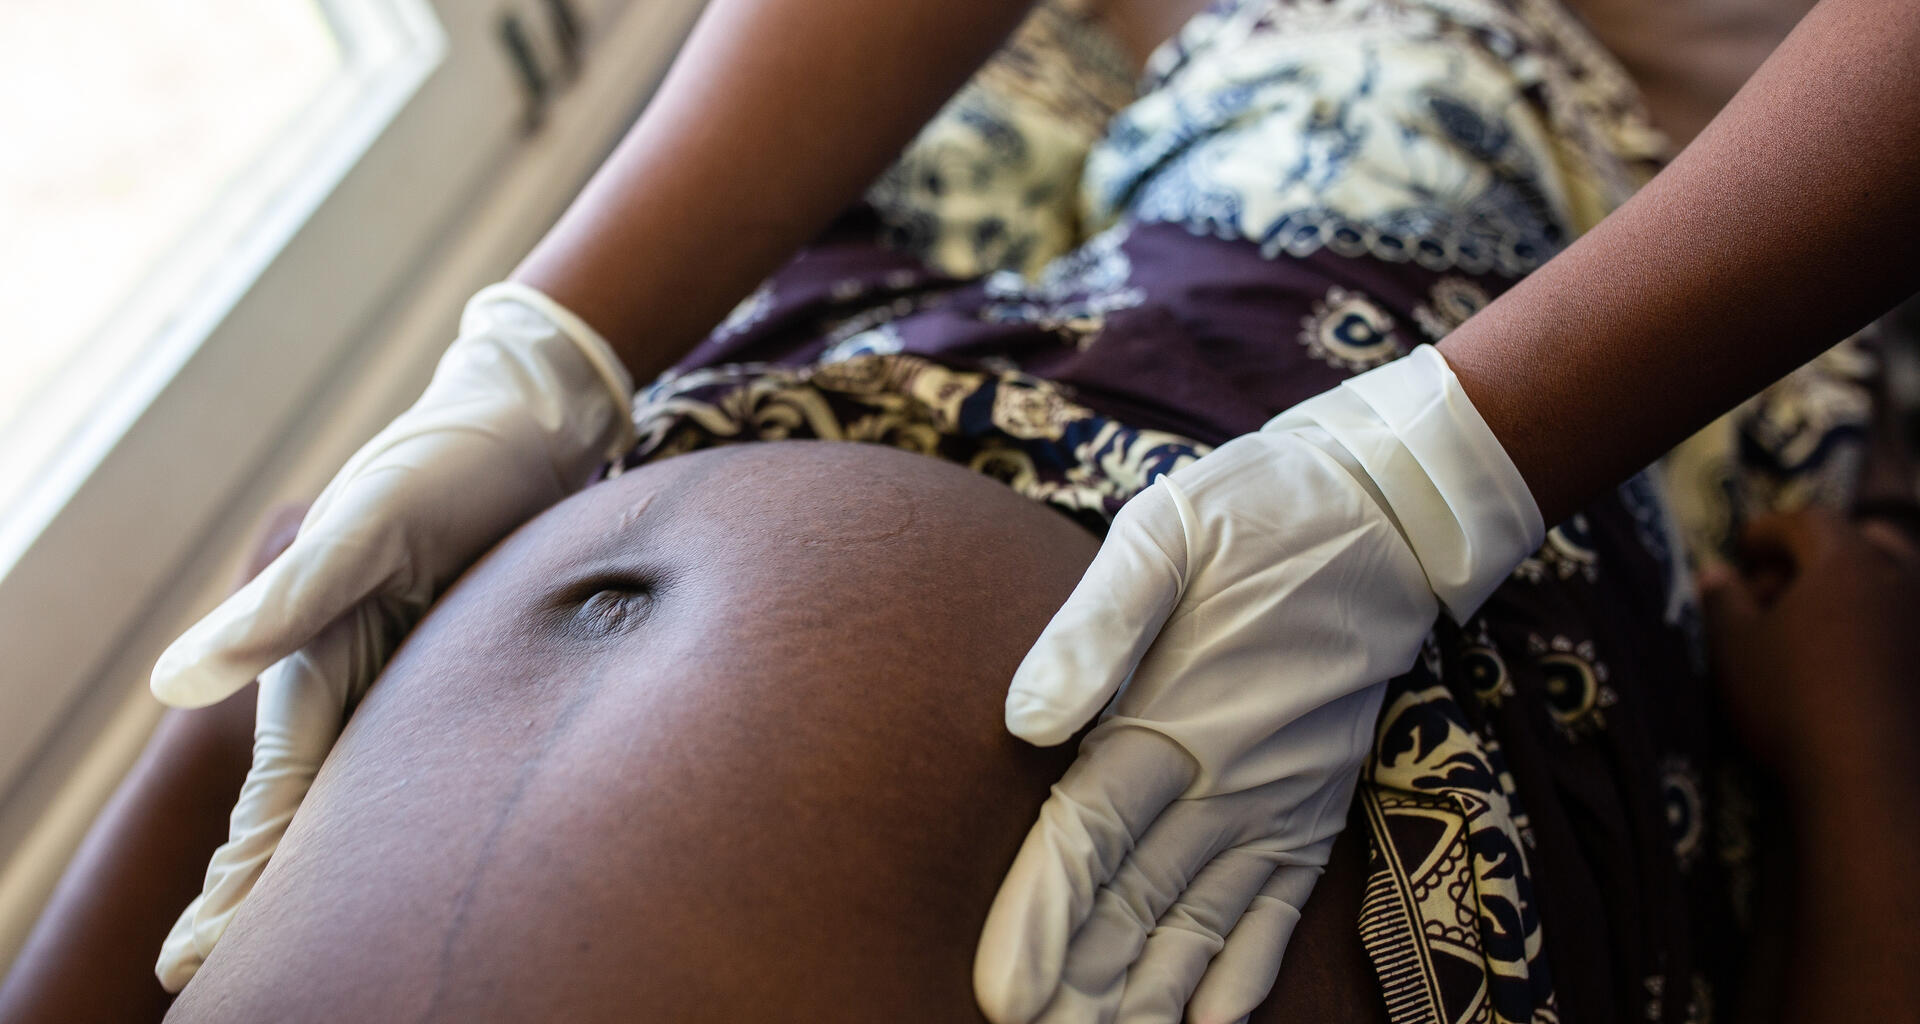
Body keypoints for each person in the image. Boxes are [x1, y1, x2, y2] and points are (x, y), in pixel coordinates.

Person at [3, 0, 1916, 1018]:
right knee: (1412, 83)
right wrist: (1862, 781)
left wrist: (298, 653)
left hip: (872, 357)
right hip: (1374, 379)